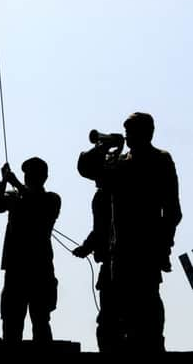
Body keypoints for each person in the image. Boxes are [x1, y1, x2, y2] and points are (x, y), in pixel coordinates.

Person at [78, 112, 182, 352]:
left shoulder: (160, 160)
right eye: (127, 131)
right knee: (111, 321)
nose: (128, 136)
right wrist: (102, 147)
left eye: (132, 131)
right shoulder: (119, 163)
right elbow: (86, 169)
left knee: (146, 318)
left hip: (146, 250)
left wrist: (163, 246)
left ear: (148, 133)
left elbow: (173, 211)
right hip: (119, 253)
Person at [0, 157, 61, 343]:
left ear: (43, 177)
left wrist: (15, 183)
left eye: (32, 174)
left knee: (41, 322)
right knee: (11, 324)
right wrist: (3, 182)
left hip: (39, 269)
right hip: (17, 270)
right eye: (27, 174)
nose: (28, 177)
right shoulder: (18, 198)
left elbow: (36, 203)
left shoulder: (51, 199)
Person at [73, 136, 123, 352]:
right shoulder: (105, 195)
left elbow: (101, 230)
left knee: (110, 324)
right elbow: (100, 230)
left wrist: (86, 248)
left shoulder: (109, 195)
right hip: (114, 265)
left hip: (120, 265)